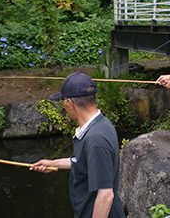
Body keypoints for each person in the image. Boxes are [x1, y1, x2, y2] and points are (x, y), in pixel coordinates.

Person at [30, 72, 126, 218]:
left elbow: (106, 195)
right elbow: (83, 162)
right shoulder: (101, 124)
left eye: (62, 101)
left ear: (69, 102)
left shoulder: (95, 139)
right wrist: (53, 163)